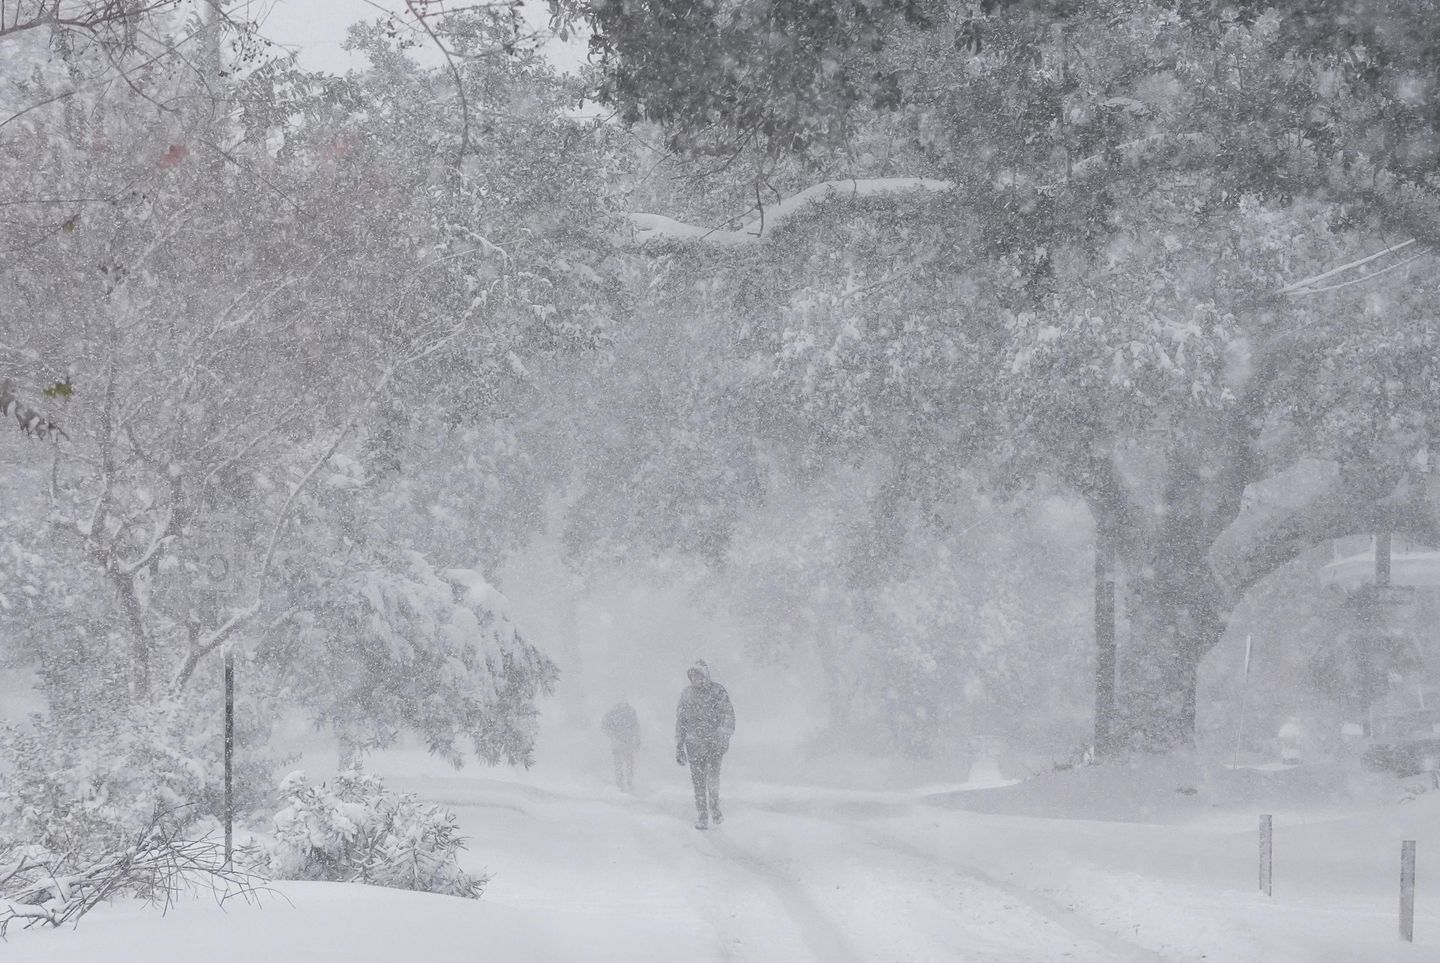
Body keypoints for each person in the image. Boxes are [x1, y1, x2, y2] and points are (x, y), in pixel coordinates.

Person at [674, 660, 734, 829]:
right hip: (693, 746)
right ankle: (702, 815)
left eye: (698, 675)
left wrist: (722, 737)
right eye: (692, 675)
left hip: (714, 745)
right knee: (698, 782)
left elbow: (728, 716)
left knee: (713, 778)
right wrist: (679, 746)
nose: (695, 678)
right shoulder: (686, 695)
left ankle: (714, 808)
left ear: (705, 675)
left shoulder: (718, 691)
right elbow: (681, 721)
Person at [602, 698, 641, 792]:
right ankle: (622, 785)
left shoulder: (627, 712)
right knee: (622, 765)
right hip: (622, 743)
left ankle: (627, 784)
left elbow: (636, 726)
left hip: (625, 742)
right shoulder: (615, 712)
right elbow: (605, 727)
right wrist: (613, 735)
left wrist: (637, 739)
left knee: (626, 764)